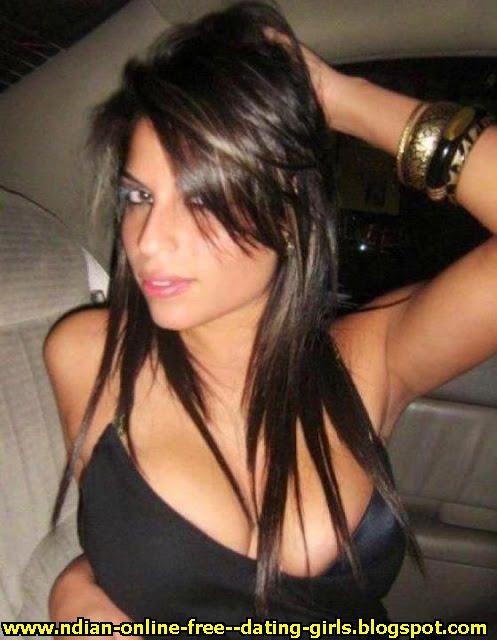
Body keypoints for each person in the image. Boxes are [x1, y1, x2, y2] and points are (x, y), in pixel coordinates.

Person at [45, 1, 497, 636]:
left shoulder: (368, 360)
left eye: (205, 199)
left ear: (289, 219)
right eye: (139, 195)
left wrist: (340, 99)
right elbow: (122, 540)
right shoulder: (92, 353)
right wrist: (76, 592)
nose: (148, 240)